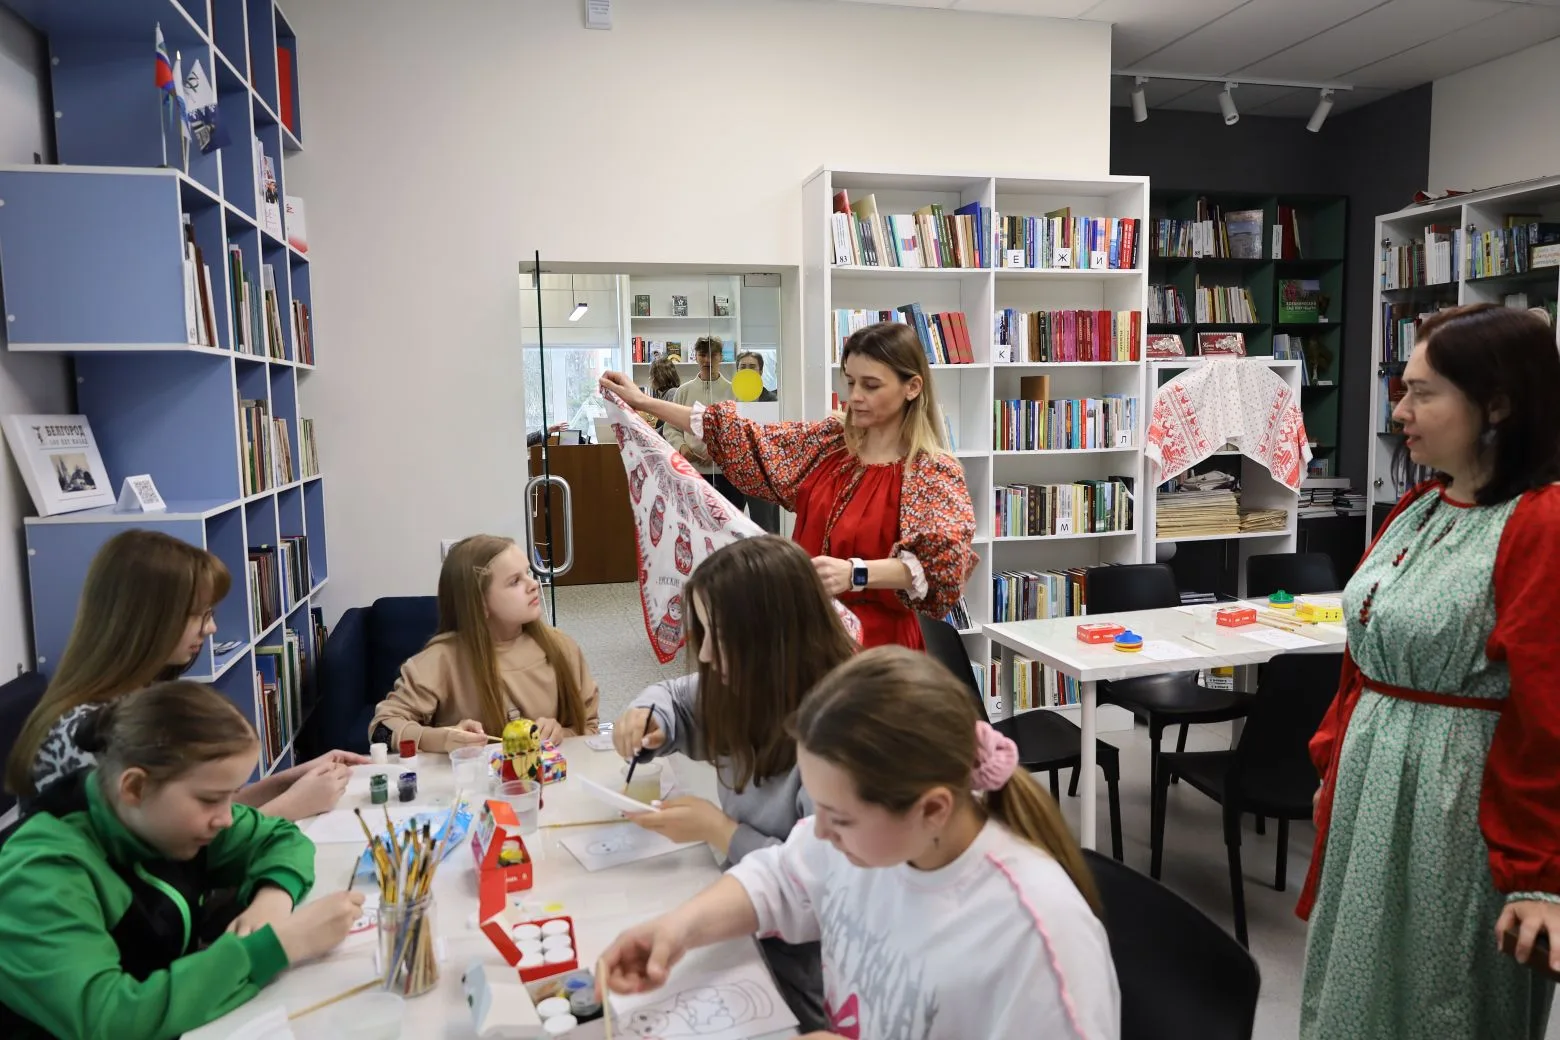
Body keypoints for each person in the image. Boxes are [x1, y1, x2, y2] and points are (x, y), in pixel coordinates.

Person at [600, 645, 1118, 1039]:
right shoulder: (874, 841)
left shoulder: (1037, 943)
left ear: (932, 809)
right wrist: (678, 928)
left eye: (839, 817)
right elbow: (781, 877)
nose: (818, 831)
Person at [1298, 303, 1560, 1039]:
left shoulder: (1540, 522)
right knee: (1356, 989)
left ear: (1497, 404)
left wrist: (1539, 876)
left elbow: (1549, 710)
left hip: (1454, 809)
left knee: (1439, 997)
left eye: (1422, 393)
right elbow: (1364, 660)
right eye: (1402, 390)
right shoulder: (1417, 507)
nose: (1400, 411)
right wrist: (1332, 762)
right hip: (1375, 794)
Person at [0, 681, 364, 1039]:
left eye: (231, 796)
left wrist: (272, 900)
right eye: (210, 799)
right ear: (135, 787)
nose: (227, 818)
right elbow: (108, 1018)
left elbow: (280, 838)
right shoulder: (41, 873)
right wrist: (277, 946)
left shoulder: (150, 816)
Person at [601, 321, 976, 650]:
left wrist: (855, 574)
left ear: (912, 387)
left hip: (877, 652)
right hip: (809, 634)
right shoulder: (829, 445)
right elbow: (744, 436)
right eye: (850, 382)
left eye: (871, 385)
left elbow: (939, 565)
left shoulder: (929, 472)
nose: (855, 396)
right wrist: (642, 401)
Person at [612, 535, 857, 1032]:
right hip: (746, 927)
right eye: (701, 632)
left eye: (718, 635)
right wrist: (649, 716)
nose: (704, 654)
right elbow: (674, 698)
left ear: (773, 638)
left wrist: (720, 830)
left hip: (807, 976)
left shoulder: (838, 739)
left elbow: (815, 889)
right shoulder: (744, 682)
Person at [5, 530, 365, 823]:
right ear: (149, 620)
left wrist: (292, 781)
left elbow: (194, 816)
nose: (211, 628)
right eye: (200, 615)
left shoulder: (137, 699)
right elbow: (166, 859)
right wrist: (291, 806)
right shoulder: (86, 735)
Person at [369, 534, 599, 751]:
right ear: (479, 602)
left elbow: (590, 729)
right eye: (515, 581)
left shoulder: (561, 647)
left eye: (528, 573)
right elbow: (381, 731)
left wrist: (561, 734)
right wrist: (442, 739)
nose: (533, 584)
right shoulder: (441, 660)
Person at [663, 336, 748, 516]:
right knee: (695, 521)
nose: (707, 360)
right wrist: (682, 447)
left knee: (728, 522)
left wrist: (718, 450)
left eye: (713, 355)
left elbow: (740, 431)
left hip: (726, 474)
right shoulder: (683, 391)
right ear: (696, 357)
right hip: (692, 471)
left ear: (721, 357)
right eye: (702, 355)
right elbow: (671, 427)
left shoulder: (734, 391)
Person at [733, 352, 782, 534]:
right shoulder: (730, 400)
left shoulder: (773, 401)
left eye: (752, 367)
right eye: (743, 367)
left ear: (760, 371)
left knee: (765, 527)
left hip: (762, 475)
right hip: (734, 473)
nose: (747, 370)